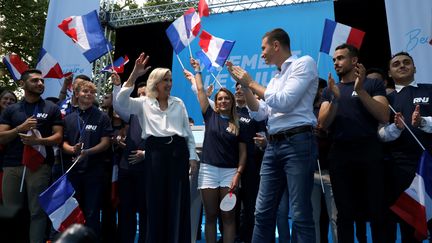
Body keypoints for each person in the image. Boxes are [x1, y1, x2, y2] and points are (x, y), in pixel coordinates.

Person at [227, 28, 318, 242]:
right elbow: (260, 113)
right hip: (273, 146)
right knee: (262, 212)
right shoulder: (276, 78)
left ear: (276, 45)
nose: (261, 54)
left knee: (299, 214)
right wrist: (246, 88)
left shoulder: (303, 63)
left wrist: (250, 82)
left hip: (298, 143)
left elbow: (284, 101)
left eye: (263, 48)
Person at [115, 53, 198, 243]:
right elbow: (120, 101)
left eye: (170, 80)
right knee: (156, 201)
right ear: (155, 82)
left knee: (177, 201)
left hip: (178, 152)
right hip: (155, 154)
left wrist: (192, 157)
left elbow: (187, 132)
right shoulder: (143, 103)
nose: (168, 83)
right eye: (164, 80)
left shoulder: (179, 103)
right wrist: (134, 74)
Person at [318, 44, 389, 242]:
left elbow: (384, 115)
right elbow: (323, 123)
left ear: (354, 60)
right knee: (345, 212)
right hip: (340, 153)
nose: (336, 62)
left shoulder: (372, 85)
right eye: (334, 59)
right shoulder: (330, 90)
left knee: (377, 210)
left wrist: (360, 90)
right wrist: (335, 100)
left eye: (340, 58)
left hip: (369, 150)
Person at [184, 58, 247, 243]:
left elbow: (243, 153)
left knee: (228, 218)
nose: (223, 100)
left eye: (227, 98)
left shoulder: (238, 122)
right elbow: (201, 91)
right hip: (208, 172)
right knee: (210, 216)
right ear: (216, 102)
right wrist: (197, 71)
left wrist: (238, 174)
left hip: (230, 174)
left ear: (232, 101)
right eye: (220, 98)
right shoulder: (209, 115)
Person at [0, 69, 63, 243]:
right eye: (35, 81)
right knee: (10, 211)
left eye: (42, 81)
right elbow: (1, 136)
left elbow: (58, 137)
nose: (40, 83)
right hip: (12, 166)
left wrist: (39, 141)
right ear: (22, 84)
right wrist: (20, 128)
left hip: (40, 167)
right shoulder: (11, 109)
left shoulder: (51, 108)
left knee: (37, 212)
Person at [378, 52, 432, 243]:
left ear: (415, 68)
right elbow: (381, 135)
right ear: (390, 73)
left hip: (430, 166)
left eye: (407, 62)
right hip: (402, 169)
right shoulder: (386, 100)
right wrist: (396, 128)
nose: (402, 66)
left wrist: (423, 122)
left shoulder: (430, 90)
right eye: (396, 64)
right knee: (409, 227)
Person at [62, 80, 113, 238]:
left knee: (92, 213)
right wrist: (70, 149)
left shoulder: (102, 117)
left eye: (92, 92)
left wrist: (87, 152)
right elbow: (62, 142)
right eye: (85, 91)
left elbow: (106, 142)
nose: (89, 94)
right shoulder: (69, 118)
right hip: (73, 173)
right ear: (76, 94)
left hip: (94, 172)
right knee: (73, 213)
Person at [112, 73, 147, 243]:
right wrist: (117, 87)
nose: (142, 97)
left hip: (148, 171)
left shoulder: (162, 115)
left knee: (147, 211)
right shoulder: (131, 114)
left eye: (145, 94)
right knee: (126, 211)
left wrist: (146, 155)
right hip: (127, 170)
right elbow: (118, 105)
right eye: (139, 94)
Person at [311, 79, 337, 243]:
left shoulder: (335, 110)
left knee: (335, 218)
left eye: (317, 89)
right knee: (313, 219)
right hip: (311, 172)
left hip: (331, 173)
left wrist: (326, 133)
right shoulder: (305, 111)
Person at [0, 90, 17, 203]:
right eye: (5, 98)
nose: (8, 101)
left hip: (7, 164)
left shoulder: (17, 119)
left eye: (12, 100)